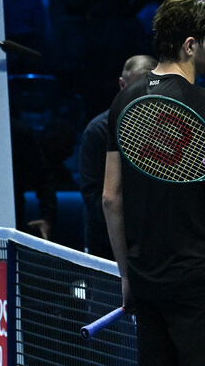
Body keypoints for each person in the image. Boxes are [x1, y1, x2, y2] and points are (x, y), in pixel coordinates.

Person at [103, 0, 205, 365]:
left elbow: (110, 198)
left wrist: (127, 276)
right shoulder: (201, 102)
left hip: (148, 281)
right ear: (190, 45)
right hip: (201, 285)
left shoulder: (123, 100)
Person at [79, 55, 157, 260]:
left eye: (150, 87)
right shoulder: (98, 131)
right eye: (136, 87)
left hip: (156, 244)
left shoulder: (169, 127)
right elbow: (94, 196)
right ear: (122, 84)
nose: (143, 94)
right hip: (106, 246)